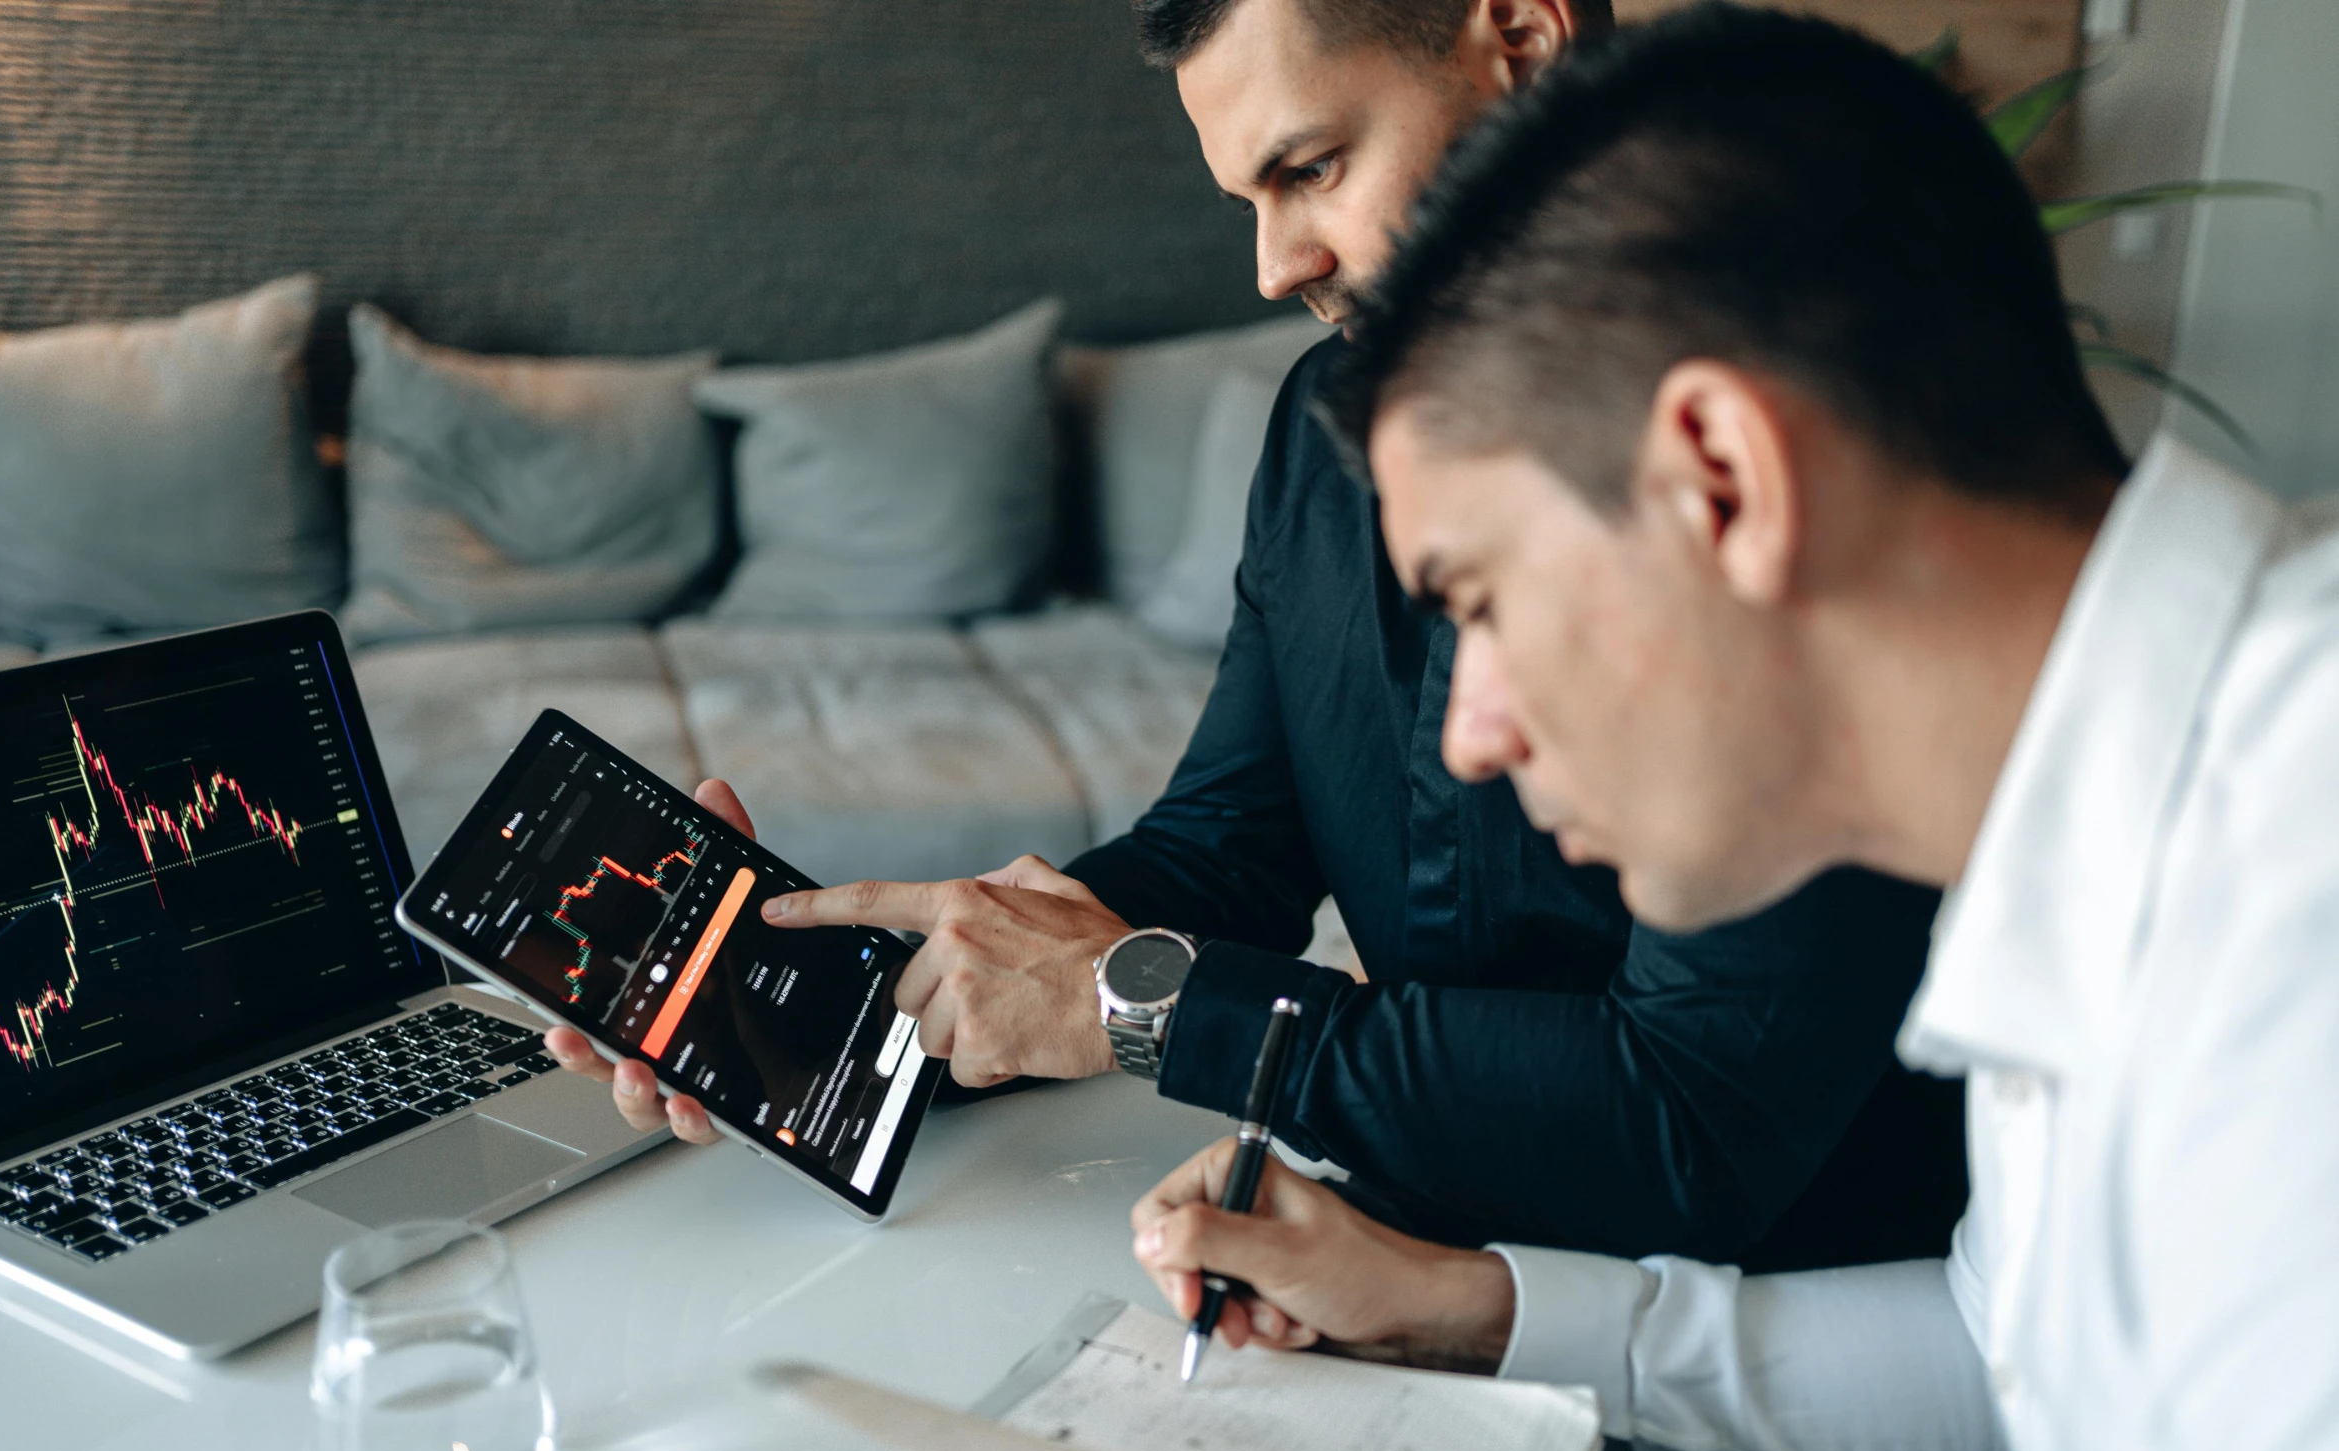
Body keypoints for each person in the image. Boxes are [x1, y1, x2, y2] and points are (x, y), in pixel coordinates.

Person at [1132, 9, 2339, 1451]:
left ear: (1723, 478)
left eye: (1483, 599)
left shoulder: (2295, 905)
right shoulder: (2119, 806)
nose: (1469, 736)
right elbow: (2023, 1368)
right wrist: (1466, 1310)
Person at [548, 0, 1964, 1275]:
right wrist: (857, 1017)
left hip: (1758, 1359)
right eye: (1248, 196)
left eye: (1310, 168)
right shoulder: (1321, 425)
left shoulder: (1761, 463)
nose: (1275, 265)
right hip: (1390, 1259)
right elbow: (1224, 850)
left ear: (1519, 42)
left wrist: (1138, 1004)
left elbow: (1689, 1134)